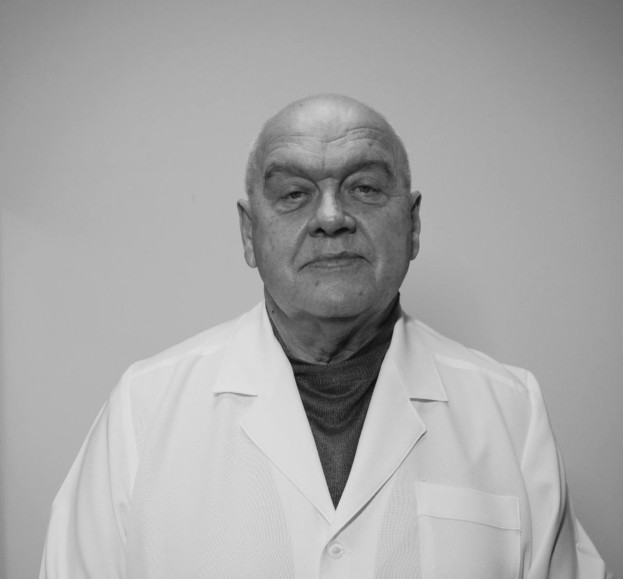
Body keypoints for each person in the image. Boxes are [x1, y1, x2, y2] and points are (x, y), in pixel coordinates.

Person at [40, 94, 609, 578]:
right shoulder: (144, 409)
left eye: (365, 188)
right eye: (294, 193)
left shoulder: (511, 411)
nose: (332, 217)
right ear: (249, 232)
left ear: (412, 224)